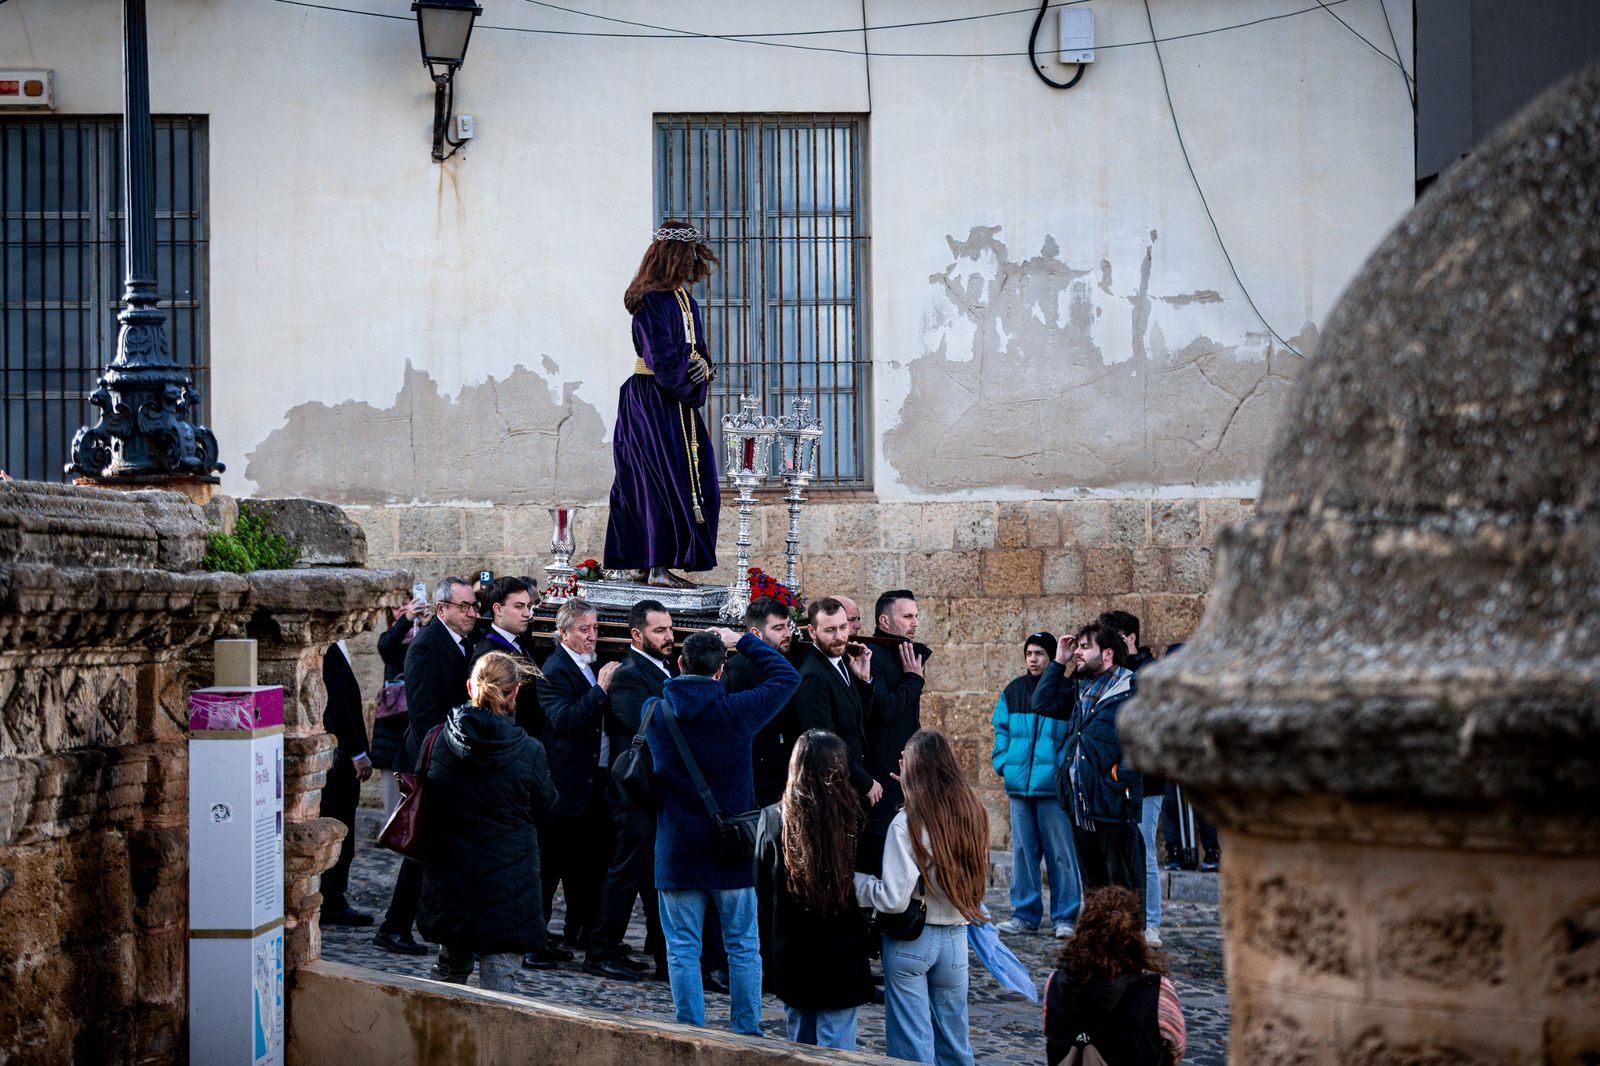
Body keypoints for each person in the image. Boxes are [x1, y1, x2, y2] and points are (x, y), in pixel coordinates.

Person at [647, 627, 801, 1035]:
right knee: (743, 947)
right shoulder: (736, 712)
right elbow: (787, 677)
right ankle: (746, 1031)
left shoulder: (655, 712)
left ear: (680, 663)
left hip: (676, 848)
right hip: (731, 846)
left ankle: (689, 1030)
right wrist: (744, 640)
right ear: (720, 672)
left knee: (682, 949)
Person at [418, 651, 557, 992]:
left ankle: (435, 1044)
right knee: (499, 986)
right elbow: (547, 805)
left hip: (452, 874)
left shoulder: (437, 740)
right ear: (515, 693)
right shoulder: (530, 751)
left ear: (470, 687)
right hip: (509, 880)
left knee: (449, 972)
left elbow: (427, 797)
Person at [855, 729, 990, 1066]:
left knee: (911, 1050)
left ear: (917, 767)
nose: (899, 761)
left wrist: (858, 885)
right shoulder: (973, 813)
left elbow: (894, 898)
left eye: (905, 757)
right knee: (956, 1046)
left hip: (913, 939)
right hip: (956, 938)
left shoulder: (908, 822)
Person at [602, 220, 723, 588]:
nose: (691, 266)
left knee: (693, 480)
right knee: (655, 481)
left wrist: (704, 366)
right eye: (687, 258)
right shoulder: (652, 302)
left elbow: (694, 349)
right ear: (673, 257)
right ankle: (652, 565)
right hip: (651, 401)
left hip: (675, 401)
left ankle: (659, 562)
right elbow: (661, 359)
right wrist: (690, 384)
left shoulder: (684, 299)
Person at [374, 576, 477, 956]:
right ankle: (394, 926)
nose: (471, 613)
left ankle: (417, 923)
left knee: (435, 850)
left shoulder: (462, 642)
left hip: (444, 760)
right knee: (420, 849)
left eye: (472, 606)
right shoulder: (425, 647)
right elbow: (423, 715)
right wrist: (446, 756)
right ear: (441, 609)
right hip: (427, 762)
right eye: (463, 607)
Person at [755, 730, 873, 1051]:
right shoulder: (855, 817)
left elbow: (763, 891)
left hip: (794, 949)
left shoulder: (772, 819)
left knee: (801, 1043)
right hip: (842, 950)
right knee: (837, 1045)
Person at [585, 598, 674, 981]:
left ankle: (661, 952)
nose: (669, 637)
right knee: (625, 873)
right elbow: (650, 727)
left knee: (652, 876)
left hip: (655, 794)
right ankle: (601, 949)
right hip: (633, 792)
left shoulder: (664, 667)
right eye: (660, 630)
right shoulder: (628, 674)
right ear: (637, 635)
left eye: (670, 629)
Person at [1032, 624, 1145, 907]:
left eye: (1084, 647)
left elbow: (1146, 743)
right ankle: (1097, 946)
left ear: (1107, 653)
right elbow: (1042, 702)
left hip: (1113, 807)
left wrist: (1119, 778)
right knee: (1093, 889)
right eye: (1078, 647)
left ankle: (1125, 946)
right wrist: (1059, 660)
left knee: (1121, 888)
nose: (1078, 653)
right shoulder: (1079, 688)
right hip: (1081, 806)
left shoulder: (1132, 690)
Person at [537, 598, 621, 962]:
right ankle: (534, 939)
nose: (592, 636)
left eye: (595, 629)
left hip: (593, 783)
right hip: (565, 785)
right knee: (550, 866)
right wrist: (600, 692)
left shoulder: (589, 665)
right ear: (564, 633)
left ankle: (580, 929)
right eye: (584, 630)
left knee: (586, 866)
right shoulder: (555, 669)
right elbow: (566, 720)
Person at [991, 631, 1080, 939]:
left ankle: (1065, 917)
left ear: (1052, 656)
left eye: (1040, 653)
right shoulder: (1013, 690)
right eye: (1029, 653)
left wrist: (1059, 771)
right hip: (1019, 787)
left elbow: (1072, 737)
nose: (1033, 658)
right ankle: (1025, 915)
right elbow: (1000, 728)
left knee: (1061, 854)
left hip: (1052, 789)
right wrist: (1002, 762)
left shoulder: (1066, 690)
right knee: (1024, 854)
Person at [1043, 886, 1187, 1066]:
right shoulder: (1159, 992)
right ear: (1137, 935)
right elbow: (1176, 1049)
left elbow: (1053, 1035)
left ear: (1084, 929)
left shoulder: (1055, 982)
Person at [1099, 610, 1164, 945]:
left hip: (1147, 779)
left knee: (1144, 852)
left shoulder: (1148, 673)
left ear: (1130, 638)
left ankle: (1150, 923)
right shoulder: (1114, 675)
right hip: (1115, 781)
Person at [863, 589, 930, 873]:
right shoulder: (875, 656)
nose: (914, 623)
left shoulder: (905, 653)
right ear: (885, 621)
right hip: (882, 772)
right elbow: (884, 709)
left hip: (905, 769)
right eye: (907, 616)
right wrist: (913, 680)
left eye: (915, 616)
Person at [792, 597, 879, 810]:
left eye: (843, 627)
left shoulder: (842, 661)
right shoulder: (813, 676)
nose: (839, 637)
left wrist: (865, 680)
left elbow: (857, 720)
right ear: (812, 632)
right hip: (836, 790)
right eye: (830, 630)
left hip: (852, 780)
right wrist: (864, 782)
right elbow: (824, 743)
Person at [725, 595, 800, 808]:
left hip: (784, 770)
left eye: (787, 626)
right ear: (755, 634)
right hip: (758, 776)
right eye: (778, 628)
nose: (787, 634)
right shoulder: (737, 670)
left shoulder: (789, 657)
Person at [318, 640, 374, 926]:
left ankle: (332, 896)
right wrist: (358, 753)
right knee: (339, 827)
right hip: (340, 759)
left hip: (340, 757)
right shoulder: (328, 649)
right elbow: (338, 706)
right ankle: (331, 899)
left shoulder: (335, 647)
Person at [372, 594, 429, 818]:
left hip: (414, 719)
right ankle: (391, 832)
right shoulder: (391, 638)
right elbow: (386, 647)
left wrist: (425, 624)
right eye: (396, 608)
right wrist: (405, 619)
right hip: (392, 720)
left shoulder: (423, 634)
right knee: (391, 788)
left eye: (406, 604)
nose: (402, 610)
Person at [470, 576, 545, 739]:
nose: (527, 613)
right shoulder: (487, 655)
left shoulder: (522, 639)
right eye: (519, 607)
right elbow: (489, 714)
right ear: (497, 609)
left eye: (528, 606)